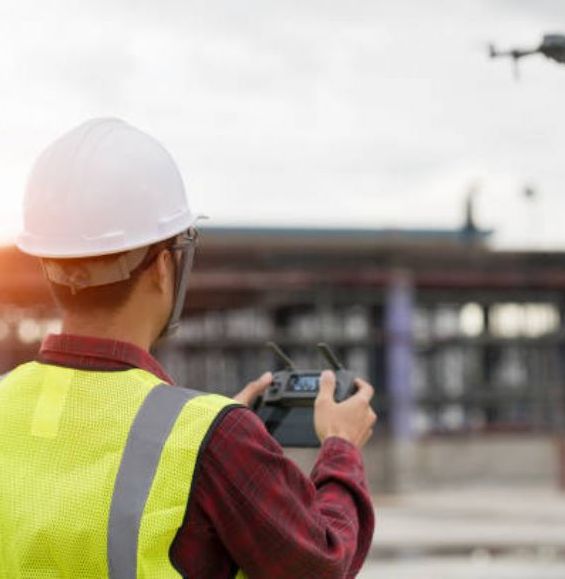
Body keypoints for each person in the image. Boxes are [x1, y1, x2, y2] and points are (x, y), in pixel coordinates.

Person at [0, 118, 377, 578]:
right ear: (163, 265)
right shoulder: (214, 439)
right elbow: (322, 563)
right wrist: (341, 445)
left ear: (49, 265)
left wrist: (207, 433)